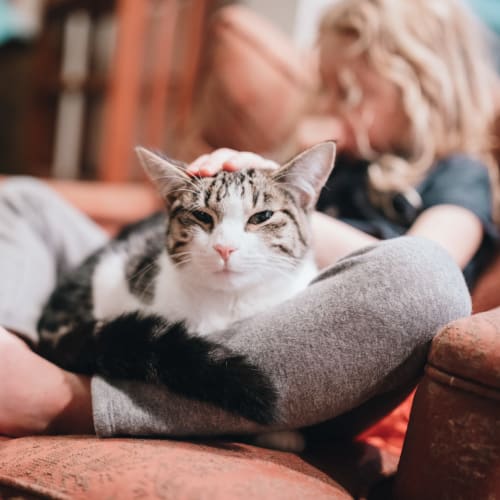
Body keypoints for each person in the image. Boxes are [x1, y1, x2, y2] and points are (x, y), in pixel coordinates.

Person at [0, 0, 495, 440]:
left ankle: (71, 401)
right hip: (210, 299)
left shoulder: (459, 174)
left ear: (425, 84)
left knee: (422, 274)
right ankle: (10, 348)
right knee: (24, 198)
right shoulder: (336, 160)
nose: (332, 103)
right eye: (325, 85)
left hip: (308, 357)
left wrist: (290, 204)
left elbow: (441, 259)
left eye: (350, 88)